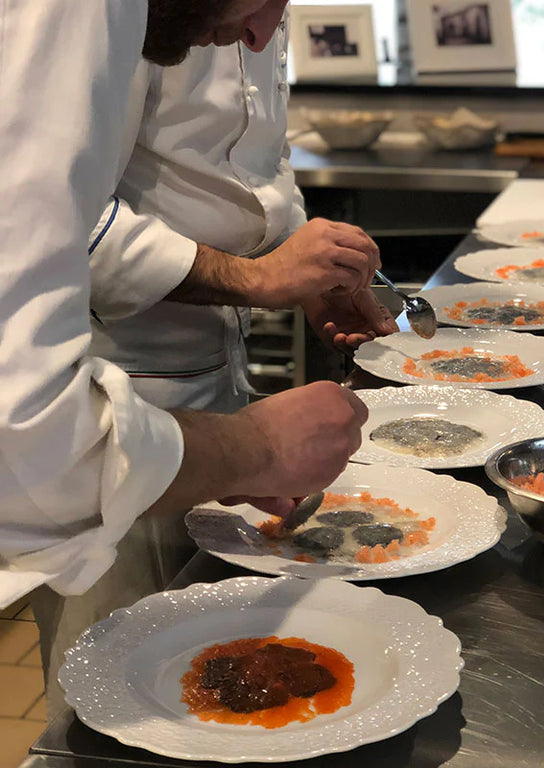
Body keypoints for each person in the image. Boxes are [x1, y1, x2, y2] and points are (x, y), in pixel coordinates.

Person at [0, 0, 385, 716]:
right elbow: (66, 229)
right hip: (113, 386)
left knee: (204, 675)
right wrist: (260, 287)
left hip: (207, 386)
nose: (266, 29)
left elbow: (259, 169)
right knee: (113, 690)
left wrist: (302, 264)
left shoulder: (226, 14)